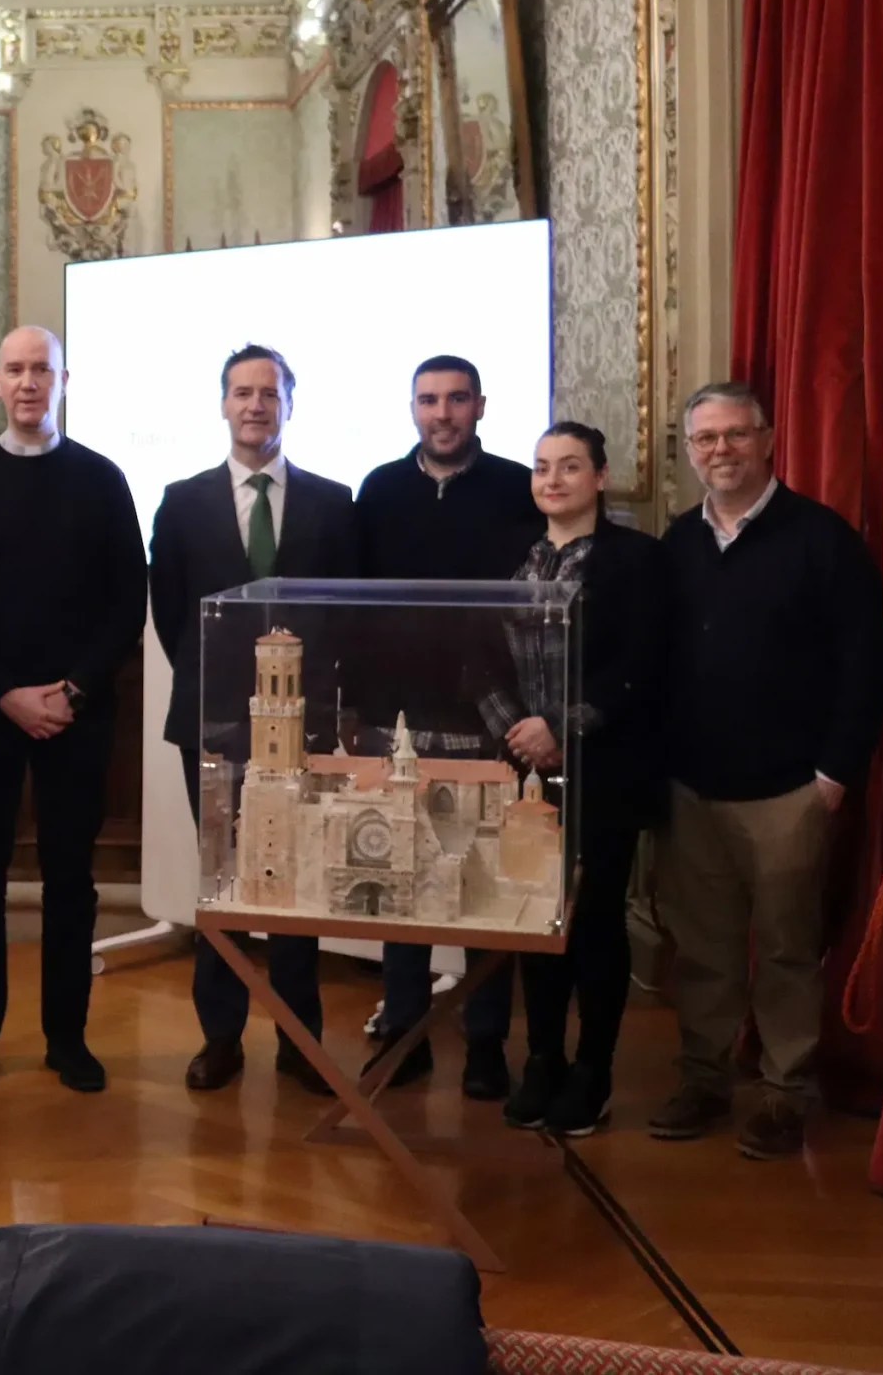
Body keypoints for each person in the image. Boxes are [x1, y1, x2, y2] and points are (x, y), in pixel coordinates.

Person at [653, 382, 883, 1160]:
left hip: (791, 789)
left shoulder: (822, 539)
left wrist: (833, 774)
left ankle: (786, 1092)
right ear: (691, 452)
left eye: (735, 434)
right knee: (703, 949)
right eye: (705, 438)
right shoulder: (676, 543)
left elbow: (869, 663)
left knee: (789, 949)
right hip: (692, 786)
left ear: (766, 439)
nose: (720, 449)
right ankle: (704, 1078)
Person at [148, 345, 358, 1095]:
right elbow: (171, 613)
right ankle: (220, 1037)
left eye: (270, 393)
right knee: (224, 878)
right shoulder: (181, 501)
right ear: (224, 404)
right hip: (211, 724)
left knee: (297, 880)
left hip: (303, 725)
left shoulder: (334, 502)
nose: (256, 405)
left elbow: (345, 615)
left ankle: (300, 1041)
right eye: (243, 392)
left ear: (289, 405)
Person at [0, 326, 144, 1094]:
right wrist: (4, 691)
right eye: (16, 369)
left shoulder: (102, 478)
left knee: (70, 878)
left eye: (42, 369)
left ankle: (68, 1037)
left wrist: (73, 690)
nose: (29, 382)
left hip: (77, 713)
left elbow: (127, 598)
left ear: (63, 380)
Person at [354, 356, 542, 1100]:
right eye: (429, 400)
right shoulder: (379, 489)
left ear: (480, 406)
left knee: (483, 887)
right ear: (412, 408)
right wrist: (356, 709)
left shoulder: (516, 489)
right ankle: (404, 1032)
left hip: (486, 718)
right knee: (397, 879)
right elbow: (356, 603)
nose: (442, 413)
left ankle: (486, 1043)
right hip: (394, 719)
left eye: (456, 399)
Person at [471, 423, 664, 1136]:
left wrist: (560, 726)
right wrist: (517, 731)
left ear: (600, 477)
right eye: (542, 467)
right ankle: (543, 1059)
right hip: (522, 770)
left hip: (602, 768)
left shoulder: (637, 559)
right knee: (536, 919)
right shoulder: (508, 554)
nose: (553, 480)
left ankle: (593, 1070)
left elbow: (642, 664)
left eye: (571, 466)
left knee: (594, 924)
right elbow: (476, 653)